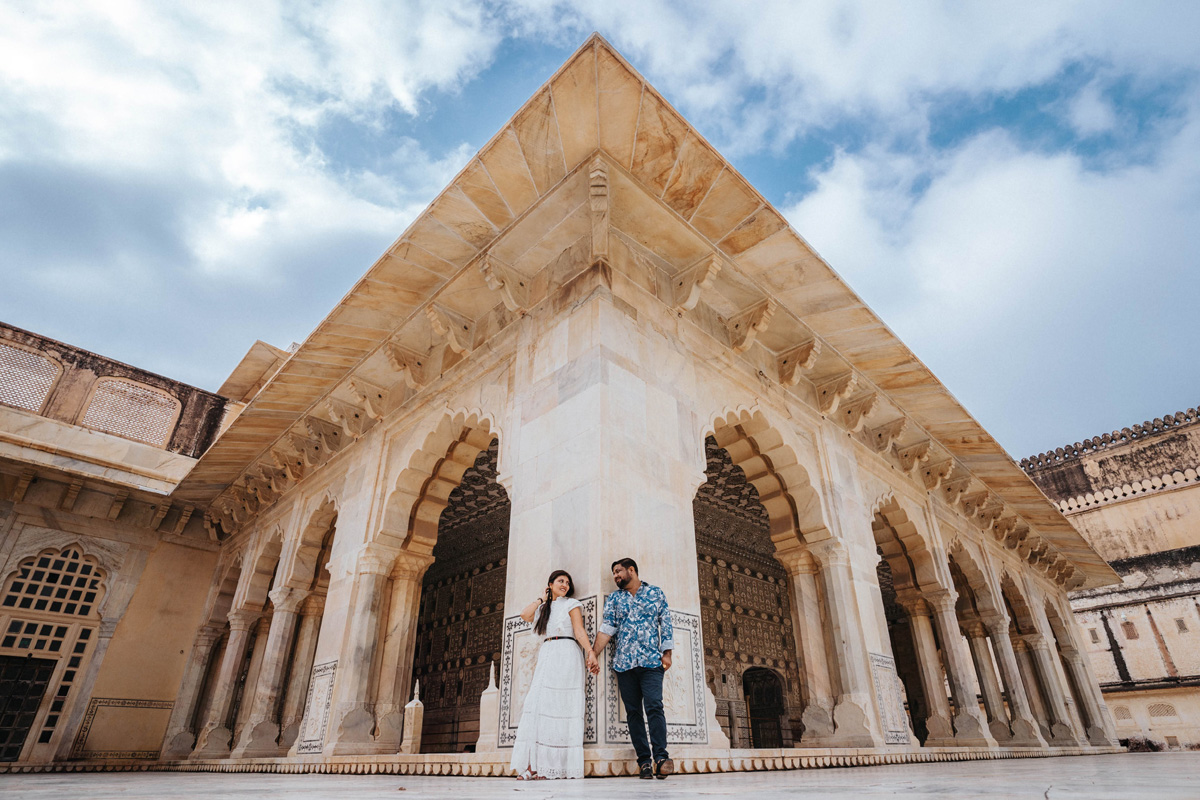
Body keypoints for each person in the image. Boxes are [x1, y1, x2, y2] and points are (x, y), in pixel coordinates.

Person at [590, 558, 675, 780]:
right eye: (614, 574)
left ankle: (662, 758)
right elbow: (607, 628)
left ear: (632, 570)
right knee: (634, 713)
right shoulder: (615, 599)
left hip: (651, 663)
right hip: (624, 665)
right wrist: (593, 653)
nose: (616, 576)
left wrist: (667, 653)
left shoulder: (655, 593)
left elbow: (665, 622)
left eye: (618, 572)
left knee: (655, 707)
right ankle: (644, 762)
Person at [509, 569, 598, 780]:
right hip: (548, 653)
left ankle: (553, 767)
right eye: (560, 581)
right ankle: (534, 765)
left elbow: (578, 630)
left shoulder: (572, 604)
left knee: (561, 707)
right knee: (539, 707)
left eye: (567, 582)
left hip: (567, 654)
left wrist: (591, 652)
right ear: (550, 584)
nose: (565, 584)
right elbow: (524, 615)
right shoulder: (544, 608)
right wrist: (543, 597)